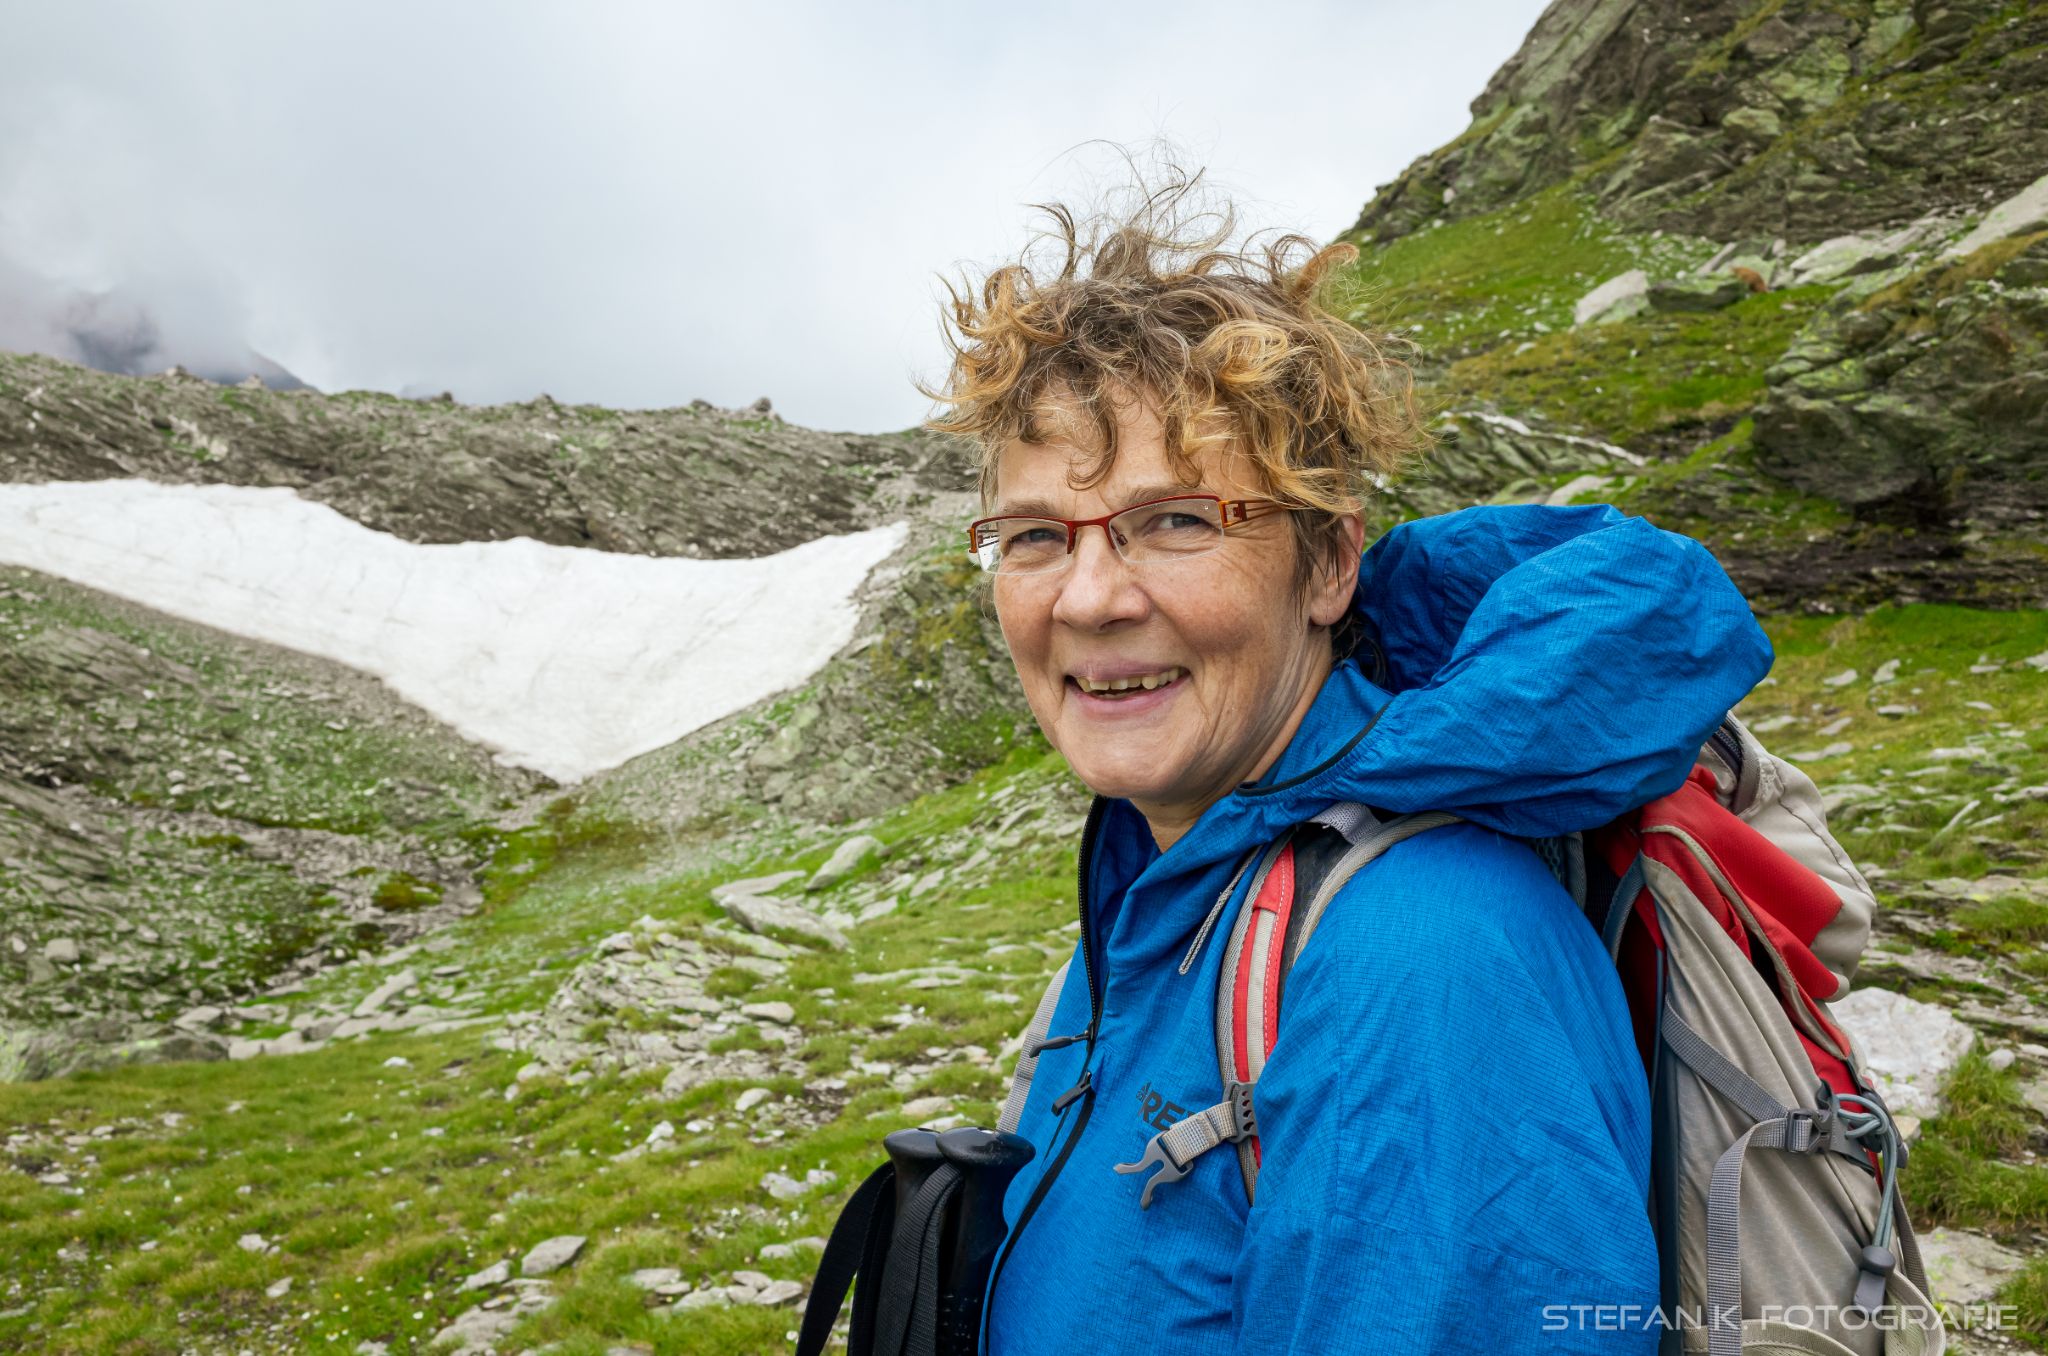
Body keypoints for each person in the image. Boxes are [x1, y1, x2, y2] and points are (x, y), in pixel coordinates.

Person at [921, 178, 1774, 1353]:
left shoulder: (1419, 956)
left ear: (1326, 566)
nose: (1088, 598)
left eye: (1175, 519)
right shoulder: (1164, 875)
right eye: (1031, 538)